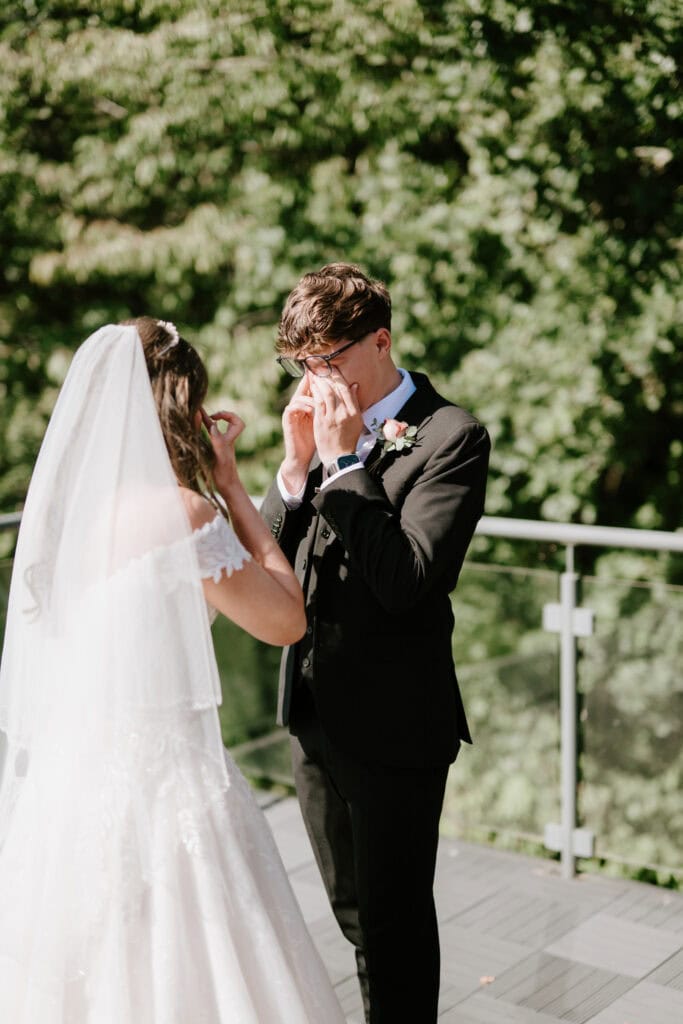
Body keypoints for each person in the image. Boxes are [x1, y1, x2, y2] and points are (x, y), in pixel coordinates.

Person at [0, 319, 346, 1023]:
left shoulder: (69, 518)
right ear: (181, 406)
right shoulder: (182, 514)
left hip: (73, 787)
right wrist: (231, 485)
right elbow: (286, 619)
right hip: (168, 789)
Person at [260, 264, 491, 1024]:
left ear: (380, 340)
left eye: (330, 360)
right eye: (305, 365)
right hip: (313, 710)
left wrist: (347, 462)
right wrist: (295, 472)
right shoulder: (315, 439)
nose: (318, 380)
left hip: (397, 724)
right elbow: (268, 562)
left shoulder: (450, 435)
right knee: (350, 913)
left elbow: (408, 580)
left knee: (393, 922)